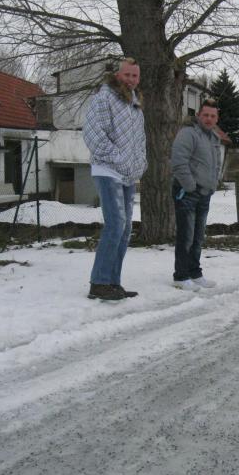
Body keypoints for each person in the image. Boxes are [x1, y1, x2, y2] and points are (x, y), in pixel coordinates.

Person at [83, 57, 147, 300]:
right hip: (107, 170)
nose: (131, 79)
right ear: (118, 75)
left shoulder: (135, 105)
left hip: (128, 174)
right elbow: (93, 135)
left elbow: (140, 141)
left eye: (135, 76)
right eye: (127, 74)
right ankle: (98, 283)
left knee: (126, 228)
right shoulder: (104, 98)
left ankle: (113, 282)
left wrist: (139, 164)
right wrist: (118, 158)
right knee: (116, 223)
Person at [170, 98, 222, 291]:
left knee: (198, 237)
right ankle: (181, 276)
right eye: (205, 115)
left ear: (217, 118)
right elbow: (178, 161)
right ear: (198, 115)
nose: (209, 119)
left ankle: (194, 273)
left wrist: (213, 185)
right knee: (187, 236)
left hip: (205, 193)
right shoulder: (188, 133)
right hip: (187, 192)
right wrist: (190, 186)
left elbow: (216, 165)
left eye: (213, 116)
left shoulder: (213, 137)